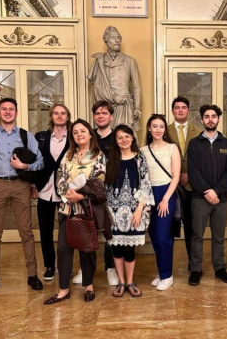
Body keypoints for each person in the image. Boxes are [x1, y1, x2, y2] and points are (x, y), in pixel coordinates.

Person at [0, 97, 44, 295]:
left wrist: (25, 168)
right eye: (4, 109)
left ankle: (32, 275)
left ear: (16, 112)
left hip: (20, 185)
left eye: (11, 109)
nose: (8, 112)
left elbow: (39, 161)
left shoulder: (26, 136)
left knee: (26, 232)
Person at [44, 119, 108, 304]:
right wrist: (68, 193)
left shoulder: (98, 156)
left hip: (86, 208)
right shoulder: (68, 155)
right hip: (67, 208)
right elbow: (60, 178)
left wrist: (81, 196)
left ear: (90, 133)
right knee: (63, 248)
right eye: (76, 132)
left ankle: (89, 286)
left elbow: (100, 182)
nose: (79, 134)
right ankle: (63, 290)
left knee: (86, 248)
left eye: (83, 131)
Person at [187, 105, 227, 286]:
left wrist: (217, 191)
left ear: (218, 119)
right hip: (200, 198)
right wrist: (208, 191)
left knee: (218, 236)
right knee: (197, 235)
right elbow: (193, 172)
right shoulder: (194, 144)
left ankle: (220, 268)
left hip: (221, 199)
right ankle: (195, 269)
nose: (210, 119)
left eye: (213, 116)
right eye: (206, 116)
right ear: (201, 120)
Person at [105, 124, 154, 297]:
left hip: (134, 210)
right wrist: (107, 212)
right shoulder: (110, 159)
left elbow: (146, 184)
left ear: (132, 138)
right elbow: (104, 186)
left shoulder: (140, 159)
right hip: (113, 211)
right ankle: (121, 282)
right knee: (116, 247)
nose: (124, 140)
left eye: (127, 136)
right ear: (116, 141)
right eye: (120, 137)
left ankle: (130, 281)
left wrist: (139, 210)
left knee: (130, 248)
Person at [76, 100, 118, 287]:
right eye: (97, 113)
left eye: (104, 113)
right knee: (86, 229)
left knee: (109, 232)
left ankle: (111, 268)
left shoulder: (118, 137)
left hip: (111, 190)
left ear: (111, 116)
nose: (100, 116)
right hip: (88, 192)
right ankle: (84, 269)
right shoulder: (88, 136)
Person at [32, 103, 71, 281]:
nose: (59, 116)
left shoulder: (73, 138)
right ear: (51, 116)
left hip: (66, 193)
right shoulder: (40, 137)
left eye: (63, 113)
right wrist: (33, 185)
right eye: (56, 113)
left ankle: (65, 266)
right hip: (45, 191)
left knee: (67, 232)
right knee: (45, 232)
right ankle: (49, 265)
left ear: (68, 117)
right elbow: (34, 162)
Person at [141, 114, 181, 291]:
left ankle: (167, 275)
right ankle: (161, 271)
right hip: (150, 194)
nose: (158, 130)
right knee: (155, 236)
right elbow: (142, 178)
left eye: (161, 126)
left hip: (166, 193)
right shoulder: (143, 151)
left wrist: (165, 199)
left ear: (165, 129)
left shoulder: (172, 148)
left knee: (164, 236)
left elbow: (176, 176)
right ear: (149, 128)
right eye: (154, 126)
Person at [167, 96, 201, 269]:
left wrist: (190, 175)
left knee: (191, 226)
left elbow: (202, 159)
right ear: (173, 110)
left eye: (184, 107)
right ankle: (167, 264)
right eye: (177, 107)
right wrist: (176, 174)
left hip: (191, 186)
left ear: (188, 110)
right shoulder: (164, 131)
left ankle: (192, 261)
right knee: (170, 226)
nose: (180, 110)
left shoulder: (198, 131)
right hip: (169, 186)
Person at [88, 26, 141, 131]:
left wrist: (137, 107)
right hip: (106, 109)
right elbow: (97, 88)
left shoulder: (130, 61)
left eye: (118, 38)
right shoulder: (99, 62)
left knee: (126, 137)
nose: (117, 41)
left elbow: (136, 86)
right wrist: (113, 97)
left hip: (125, 106)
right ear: (106, 41)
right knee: (106, 139)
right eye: (113, 37)